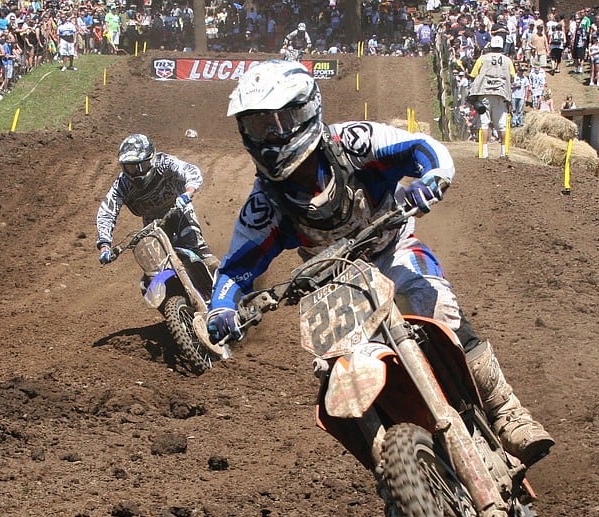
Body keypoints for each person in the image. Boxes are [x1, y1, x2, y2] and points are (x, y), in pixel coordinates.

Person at [208, 59, 554, 472]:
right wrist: (222, 307)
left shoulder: (353, 143)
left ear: (304, 112)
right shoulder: (265, 204)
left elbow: (422, 149)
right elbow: (235, 268)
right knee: (333, 373)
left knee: (433, 305)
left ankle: (506, 411)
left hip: (392, 248)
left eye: (275, 123)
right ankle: (396, 474)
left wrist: (430, 180)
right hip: (333, 285)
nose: (267, 138)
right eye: (255, 127)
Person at [96, 133, 217, 271]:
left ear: (151, 159)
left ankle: (225, 282)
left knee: (200, 252)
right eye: (130, 168)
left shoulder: (164, 162)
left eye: (141, 166)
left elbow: (190, 170)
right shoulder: (122, 184)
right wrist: (105, 245)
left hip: (178, 209)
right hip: (152, 222)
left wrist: (188, 192)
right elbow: (107, 212)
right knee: (154, 268)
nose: (136, 173)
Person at [469, 36, 513, 157]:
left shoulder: (482, 59)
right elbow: (512, 76)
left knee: (484, 124)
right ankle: (503, 152)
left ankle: (484, 152)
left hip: (484, 94)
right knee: (502, 125)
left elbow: (473, 74)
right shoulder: (507, 60)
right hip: (501, 94)